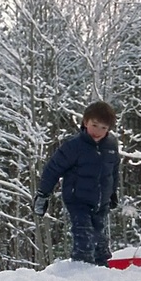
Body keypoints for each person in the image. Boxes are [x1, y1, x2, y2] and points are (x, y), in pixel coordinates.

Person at [33, 101, 120, 267]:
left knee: (100, 239)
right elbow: (53, 169)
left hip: (101, 202)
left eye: (103, 128)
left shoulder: (111, 145)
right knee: (84, 237)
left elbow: (113, 170)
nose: (98, 131)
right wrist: (43, 194)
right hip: (78, 200)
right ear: (85, 122)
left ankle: (102, 269)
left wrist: (113, 193)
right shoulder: (74, 146)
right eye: (95, 125)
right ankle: (82, 269)